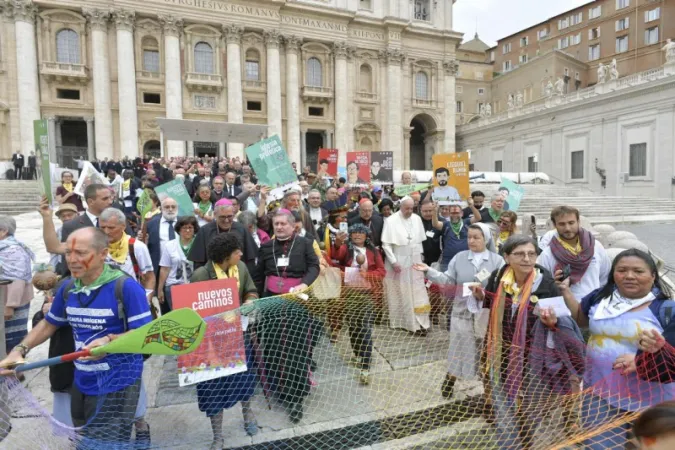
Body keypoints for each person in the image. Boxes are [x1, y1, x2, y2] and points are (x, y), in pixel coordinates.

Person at [0, 227, 152, 447]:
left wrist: (110, 342)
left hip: (117, 383)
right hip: (81, 381)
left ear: (102, 253)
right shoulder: (68, 288)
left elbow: (146, 334)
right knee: (82, 441)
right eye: (68, 253)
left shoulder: (125, 287)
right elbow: (49, 324)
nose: (72, 259)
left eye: (80, 253)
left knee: (103, 444)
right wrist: (18, 350)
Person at [545, 249, 675, 450]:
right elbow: (581, 318)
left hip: (652, 401)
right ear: (613, 273)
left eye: (638, 271)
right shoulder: (600, 298)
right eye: (622, 270)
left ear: (653, 276)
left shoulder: (667, 309)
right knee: (600, 446)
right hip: (600, 392)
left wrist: (640, 361)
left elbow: (671, 354)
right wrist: (565, 291)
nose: (629, 276)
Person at [472, 235, 584, 449]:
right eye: (519, 254)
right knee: (503, 405)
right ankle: (509, 443)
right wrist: (479, 295)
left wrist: (552, 323)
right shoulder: (499, 276)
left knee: (532, 411)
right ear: (506, 257)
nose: (526, 258)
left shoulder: (546, 283)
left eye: (531, 254)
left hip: (534, 358)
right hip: (500, 354)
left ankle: (529, 441)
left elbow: (560, 323)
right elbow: (490, 302)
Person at [414, 223, 504, 398]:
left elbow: (500, 288)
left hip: (484, 313)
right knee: (459, 347)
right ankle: (451, 377)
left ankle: (488, 393)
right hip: (461, 312)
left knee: (484, 351)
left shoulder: (497, 261)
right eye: (469, 237)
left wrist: (483, 294)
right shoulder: (460, 257)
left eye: (476, 237)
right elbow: (448, 280)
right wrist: (429, 271)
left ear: (486, 239)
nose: (471, 240)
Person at [190, 233, 260, 447]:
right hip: (211, 344)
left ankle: (248, 415)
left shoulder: (242, 269)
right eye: (236, 251)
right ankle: (218, 436)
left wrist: (249, 302)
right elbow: (192, 310)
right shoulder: (201, 275)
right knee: (213, 390)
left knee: (244, 382)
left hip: (239, 336)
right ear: (225, 256)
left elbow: (251, 290)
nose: (241, 253)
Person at [252, 210, 321, 423]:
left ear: (293, 226)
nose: (279, 227)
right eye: (276, 224)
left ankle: (296, 396)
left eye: (283, 224)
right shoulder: (265, 247)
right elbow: (257, 275)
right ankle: (280, 388)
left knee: (295, 348)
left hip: (296, 301)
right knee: (273, 346)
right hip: (271, 302)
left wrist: (303, 284)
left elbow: (314, 267)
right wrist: (252, 297)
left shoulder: (304, 244)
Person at [332, 224, 386, 385]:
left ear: (366, 236)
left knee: (365, 328)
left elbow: (382, 272)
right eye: (354, 233)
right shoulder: (346, 250)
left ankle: (365, 366)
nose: (357, 236)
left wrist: (367, 274)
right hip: (349, 294)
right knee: (353, 328)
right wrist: (336, 244)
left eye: (360, 233)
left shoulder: (374, 252)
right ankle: (358, 354)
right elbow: (335, 255)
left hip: (367, 294)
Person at [538, 206, 611, 302]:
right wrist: (554, 285)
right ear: (555, 225)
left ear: (578, 222)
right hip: (565, 311)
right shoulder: (547, 254)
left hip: (594, 306)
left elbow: (605, 277)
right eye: (562, 224)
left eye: (571, 223)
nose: (567, 228)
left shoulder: (595, 247)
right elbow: (543, 286)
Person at [381, 197, 430, 335]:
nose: (410, 211)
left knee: (418, 291)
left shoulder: (417, 219)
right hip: (399, 260)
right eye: (407, 208)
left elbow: (419, 242)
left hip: (414, 260)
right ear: (400, 207)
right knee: (402, 292)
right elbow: (386, 244)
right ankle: (407, 323)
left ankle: (421, 322)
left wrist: (420, 257)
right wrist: (393, 262)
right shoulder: (391, 220)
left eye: (412, 208)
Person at [189, 200, 258, 275]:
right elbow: (198, 262)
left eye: (229, 216)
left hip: (238, 276)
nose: (226, 220)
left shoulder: (241, 229)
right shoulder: (205, 231)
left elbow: (250, 260)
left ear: (234, 214)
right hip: (212, 278)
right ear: (215, 215)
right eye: (222, 217)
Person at [0, 216, 35, 353]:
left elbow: (17, 279)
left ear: (3, 231)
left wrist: (10, 306)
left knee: (12, 339)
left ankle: (15, 372)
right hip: (3, 300)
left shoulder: (13, 250)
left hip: (11, 303)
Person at [157, 216, 198, 312]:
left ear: (194, 229)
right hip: (174, 287)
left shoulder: (199, 243)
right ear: (179, 230)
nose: (187, 230)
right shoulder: (170, 245)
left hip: (194, 286)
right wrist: (160, 289)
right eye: (184, 228)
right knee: (179, 316)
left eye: (190, 228)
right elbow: (164, 269)